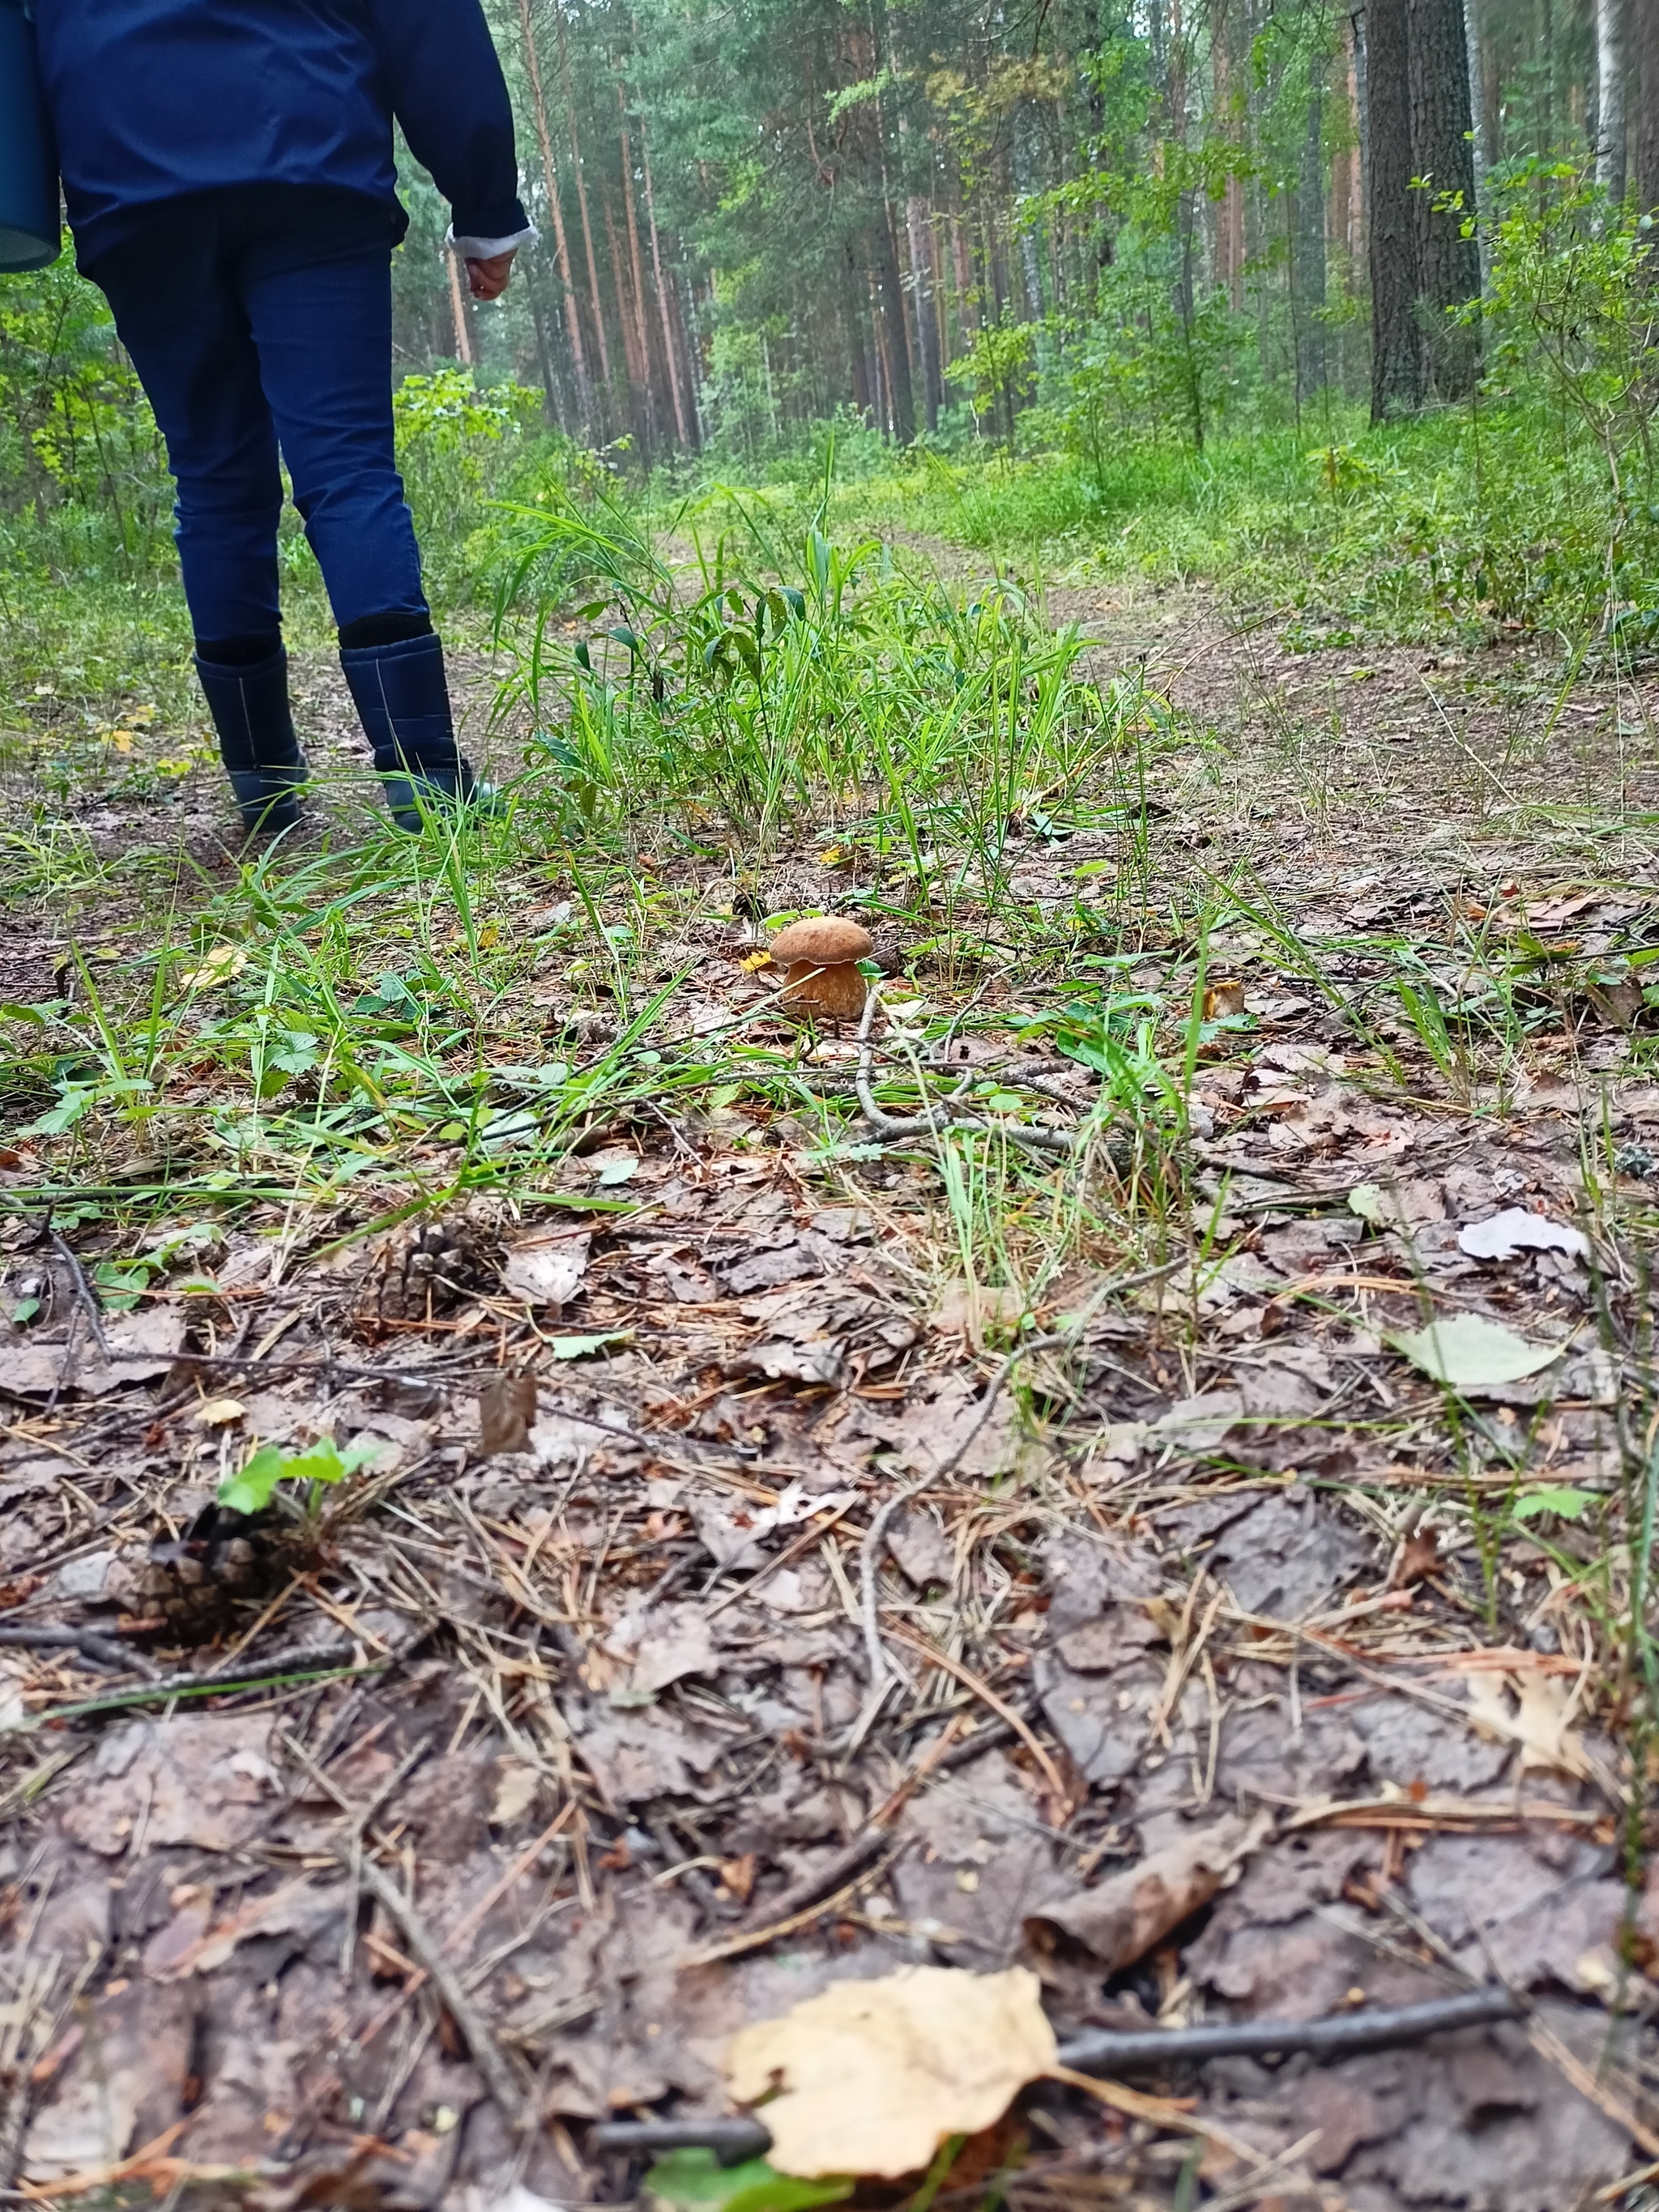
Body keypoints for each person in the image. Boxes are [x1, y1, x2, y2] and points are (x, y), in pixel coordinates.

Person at [32, 0, 533, 834]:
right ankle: (426, 782)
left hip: (128, 167)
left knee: (215, 480)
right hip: (305, 142)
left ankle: (263, 788)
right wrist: (484, 207)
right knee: (347, 468)